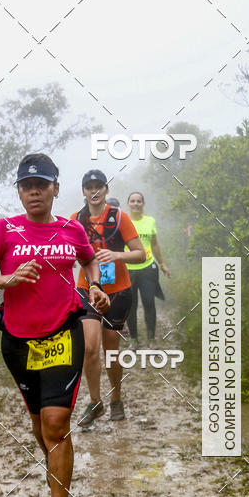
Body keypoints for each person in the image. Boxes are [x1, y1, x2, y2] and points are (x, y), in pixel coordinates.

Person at [0, 153, 110, 497]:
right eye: (27, 186)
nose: (34, 191)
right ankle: (55, 468)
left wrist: (94, 286)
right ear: (19, 191)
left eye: (42, 185)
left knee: (56, 423)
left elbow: (87, 261)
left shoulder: (71, 228)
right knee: (40, 426)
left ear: (55, 189)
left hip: (64, 332)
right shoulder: (3, 229)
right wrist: (8, 277)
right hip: (18, 341)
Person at [71, 170, 145, 427]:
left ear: (105, 190)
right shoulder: (75, 220)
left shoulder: (119, 217)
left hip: (118, 290)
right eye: (88, 186)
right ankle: (95, 402)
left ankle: (116, 397)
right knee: (90, 348)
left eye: (98, 186)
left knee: (110, 350)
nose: (94, 190)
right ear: (83, 191)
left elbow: (141, 254)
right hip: (87, 288)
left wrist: (116, 256)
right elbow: (66, 255)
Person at [126, 191, 171, 349]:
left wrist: (162, 263)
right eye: (133, 201)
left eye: (139, 201)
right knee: (130, 305)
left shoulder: (150, 221)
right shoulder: (123, 221)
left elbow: (155, 244)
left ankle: (151, 339)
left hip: (148, 268)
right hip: (128, 269)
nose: (136, 204)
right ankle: (133, 339)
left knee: (149, 302)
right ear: (128, 204)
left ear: (143, 203)